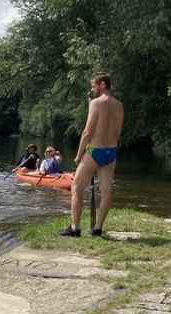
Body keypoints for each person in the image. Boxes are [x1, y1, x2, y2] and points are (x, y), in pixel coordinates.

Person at [63, 73, 124, 237]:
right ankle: (97, 228)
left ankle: (74, 228)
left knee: (76, 187)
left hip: (94, 151)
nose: (92, 89)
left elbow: (87, 132)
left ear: (102, 84)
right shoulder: (119, 105)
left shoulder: (96, 103)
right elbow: (118, 132)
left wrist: (78, 155)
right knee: (106, 191)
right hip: (111, 152)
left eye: (93, 85)